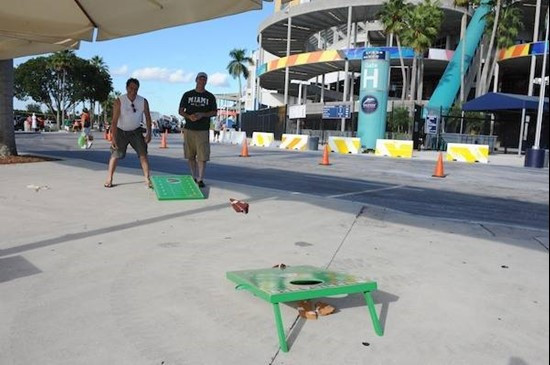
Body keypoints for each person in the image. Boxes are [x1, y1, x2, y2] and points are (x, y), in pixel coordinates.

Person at [104, 78, 153, 188]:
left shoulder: (143, 101)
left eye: (136, 89)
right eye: (131, 88)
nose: (133, 91)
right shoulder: (119, 101)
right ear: (126, 88)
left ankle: (147, 178)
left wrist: (149, 133)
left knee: (143, 154)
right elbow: (114, 121)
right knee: (115, 155)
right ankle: (109, 178)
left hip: (136, 131)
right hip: (121, 131)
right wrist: (113, 137)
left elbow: (148, 117)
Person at [178, 72, 218, 188]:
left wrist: (203, 114)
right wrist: (189, 116)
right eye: (200, 79)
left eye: (204, 79)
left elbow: (214, 112)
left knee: (202, 155)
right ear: (196, 80)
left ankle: (200, 178)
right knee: (190, 155)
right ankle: (193, 176)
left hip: (203, 129)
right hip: (189, 128)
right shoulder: (187, 94)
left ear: (206, 81)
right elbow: (180, 110)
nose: (202, 81)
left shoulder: (210, 96)